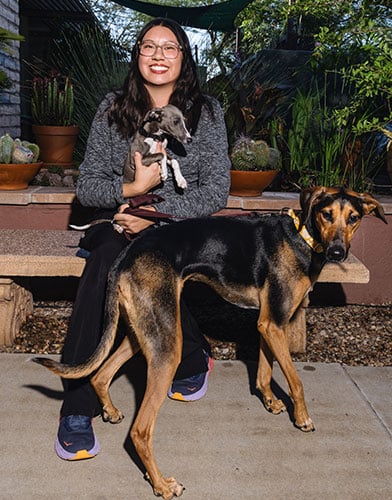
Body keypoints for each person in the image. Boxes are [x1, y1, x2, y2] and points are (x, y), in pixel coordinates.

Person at [55, 18, 231, 461]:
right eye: (148, 46)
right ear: (137, 56)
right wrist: (131, 193)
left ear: (183, 58)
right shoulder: (112, 108)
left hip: (175, 229)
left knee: (155, 258)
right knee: (110, 260)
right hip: (115, 220)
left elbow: (215, 189)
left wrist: (156, 216)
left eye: (169, 47)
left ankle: (190, 357)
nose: (157, 55)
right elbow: (88, 186)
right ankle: (77, 405)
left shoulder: (206, 113)